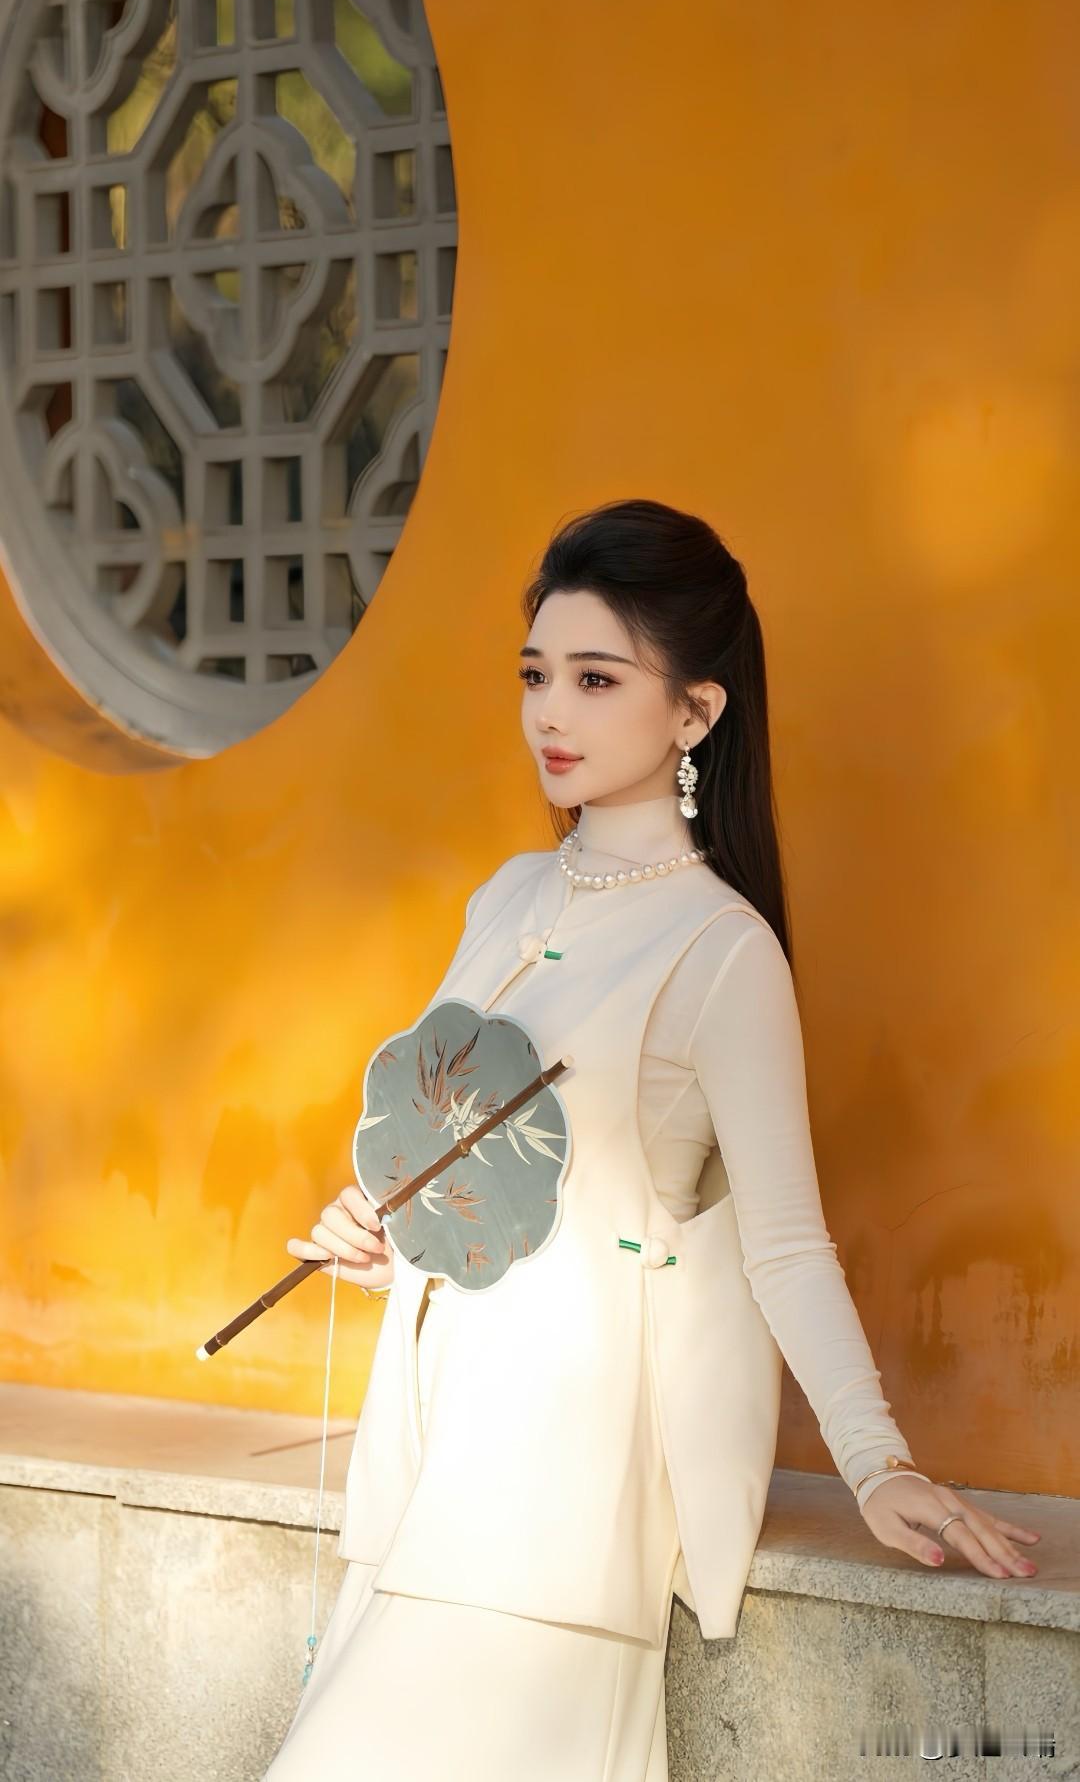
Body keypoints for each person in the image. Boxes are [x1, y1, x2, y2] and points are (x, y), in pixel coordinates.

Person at [264, 499, 1040, 1780]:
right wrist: (391, 1233)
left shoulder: (724, 950)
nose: (549, 713)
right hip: (427, 1465)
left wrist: (876, 1462)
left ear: (695, 712)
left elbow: (784, 1243)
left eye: (595, 678)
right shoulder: (506, 898)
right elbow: (497, 1175)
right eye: (535, 675)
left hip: (557, 1499)